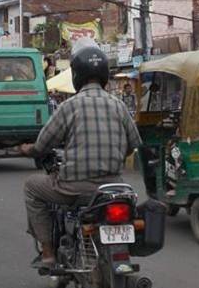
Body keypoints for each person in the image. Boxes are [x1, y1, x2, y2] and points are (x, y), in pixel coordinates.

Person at [19, 39, 141, 268]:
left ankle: (47, 253)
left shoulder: (69, 106)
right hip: (113, 188)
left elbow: (43, 144)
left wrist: (28, 149)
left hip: (74, 187)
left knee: (31, 187)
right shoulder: (119, 106)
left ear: (76, 75)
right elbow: (133, 145)